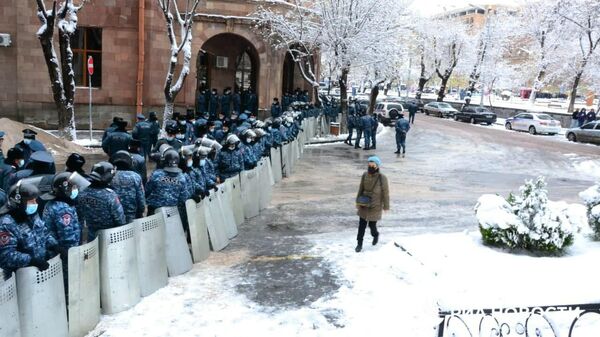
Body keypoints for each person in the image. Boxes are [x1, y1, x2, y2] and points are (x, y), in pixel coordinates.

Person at [0, 181, 59, 278]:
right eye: (31, 201)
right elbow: (6, 256)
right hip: (19, 278)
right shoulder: (6, 223)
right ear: (18, 201)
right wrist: (31, 260)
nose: (35, 204)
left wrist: (55, 246)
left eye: (35, 201)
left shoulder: (32, 216)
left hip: (38, 272)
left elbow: (43, 233)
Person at [77, 162, 126, 241]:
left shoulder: (82, 192)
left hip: (92, 235)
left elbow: (79, 214)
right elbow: (120, 220)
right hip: (110, 236)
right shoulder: (109, 195)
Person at [354, 156, 389, 252]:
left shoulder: (382, 178)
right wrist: (357, 201)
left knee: (372, 225)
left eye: (372, 165)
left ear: (377, 166)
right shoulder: (365, 175)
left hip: (375, 205)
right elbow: (360, 189)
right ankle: (359, 244)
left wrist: (386, 206)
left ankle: (375, 235)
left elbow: (385, 193)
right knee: (361, 225)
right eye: (369, 165)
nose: (370, 167)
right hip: (364, 204)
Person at [145, 147, 191, 215]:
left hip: (154, 211)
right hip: (172, 212)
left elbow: (147, 191)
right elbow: (183, 198)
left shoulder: (156, 174)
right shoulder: (182, 178)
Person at [110, 151, 146, 224]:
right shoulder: (135, 176)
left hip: (114, 215)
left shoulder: (110, 176)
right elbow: (140, 198)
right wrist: (141, 212)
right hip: (131, 214)